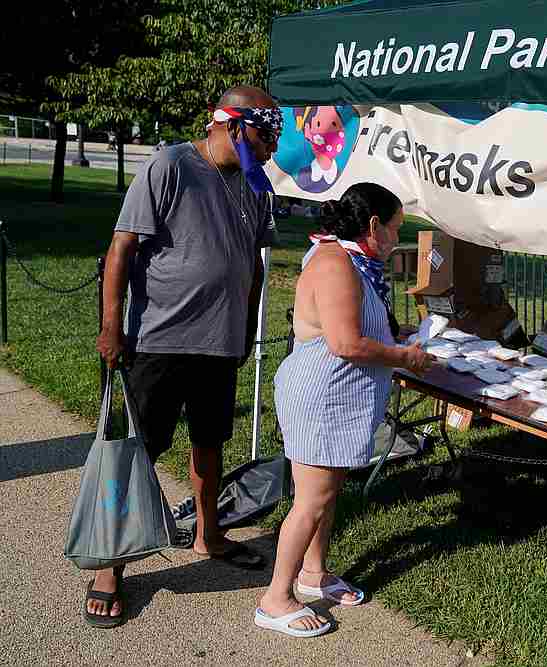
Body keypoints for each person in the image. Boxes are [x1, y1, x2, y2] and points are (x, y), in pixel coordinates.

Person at [89, 85, 283, 627]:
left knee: (210, 442)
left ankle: (208, 533)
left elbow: (255, 263)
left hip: (219, 344)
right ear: (232, 124)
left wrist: (244, 326)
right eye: (266, 132)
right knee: (134, 454)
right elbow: (122, 247)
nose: (271, 145)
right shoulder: (170, 165)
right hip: (158, 340)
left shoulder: (255, 184)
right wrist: (112, 327)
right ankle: (110, 565)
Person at [255, 183, 434, 638]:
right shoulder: (337, 263)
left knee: (325, 496)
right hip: (320, 400)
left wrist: (397, 336)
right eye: (395, 229)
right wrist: (405, 358)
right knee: (310, 502)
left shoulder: (354, 261)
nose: (398, 238)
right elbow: (345, 343)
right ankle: (275, 597)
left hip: (337, 400)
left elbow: (357, 325)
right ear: (373, 225)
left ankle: (312, 574)